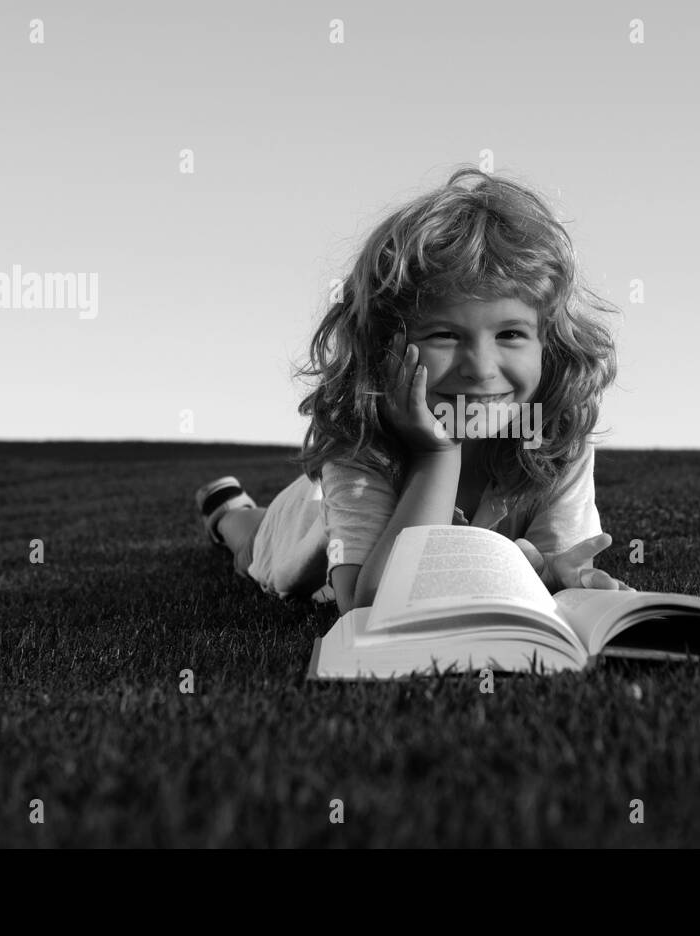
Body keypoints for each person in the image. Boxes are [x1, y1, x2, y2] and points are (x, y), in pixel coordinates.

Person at [194, 166, 634, 615]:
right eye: (444, 335)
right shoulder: (360, 448)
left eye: (510, 335)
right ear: (384, 346)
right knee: (254, 544)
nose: (481, 370)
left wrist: (554, 574)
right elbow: (368, 604)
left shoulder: (554, 435)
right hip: (308, 524)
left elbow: (541, 568)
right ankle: (228, 509)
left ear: (548, 343)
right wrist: (436, 457)